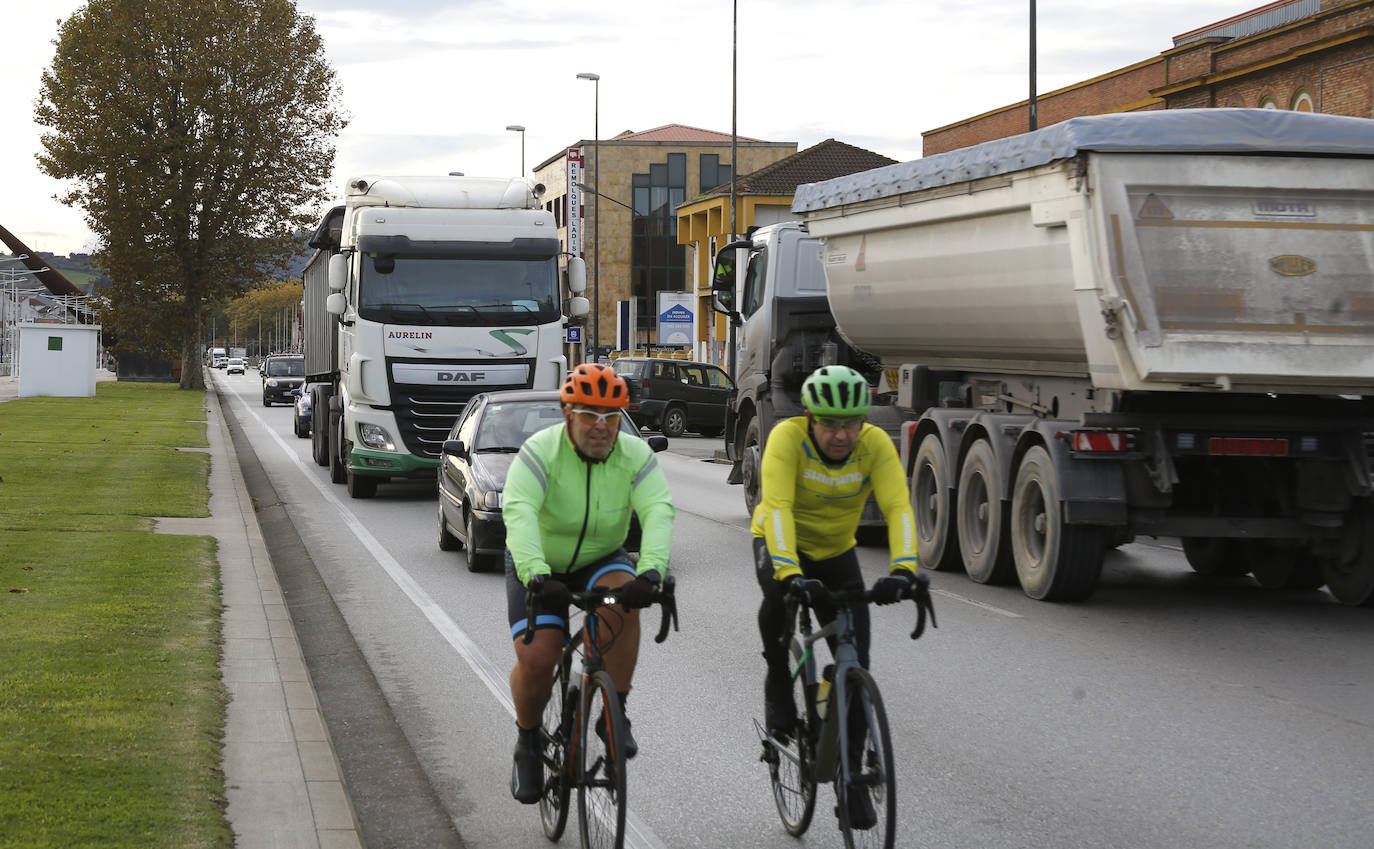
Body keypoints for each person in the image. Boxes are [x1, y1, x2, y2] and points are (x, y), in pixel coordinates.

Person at [753, 365, 930, 826]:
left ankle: (852, 780)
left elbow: (898, 507)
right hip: (780, 541)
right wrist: (790, 574)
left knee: (856, 663)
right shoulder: (787, 440)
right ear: (810, 417)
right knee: (777, 602)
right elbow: (777, 508)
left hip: (835, 551)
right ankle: (777, 681)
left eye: (850, 422)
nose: (840, 434)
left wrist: (904, 568)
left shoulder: (874, 445)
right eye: (829, 422)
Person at [503, 362, 675, 803]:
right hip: (539, 562)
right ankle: (527, 739)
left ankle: (614, 708)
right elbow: (519, 513)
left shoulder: (635, 455)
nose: (601, 428)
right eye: (589, 416)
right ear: (567, 415)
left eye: (611, 418)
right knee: (540, 657)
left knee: (625, 602)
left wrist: (652, 570)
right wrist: (536, 575)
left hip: (601, 556)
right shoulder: (540, 452)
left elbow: (657, 509)